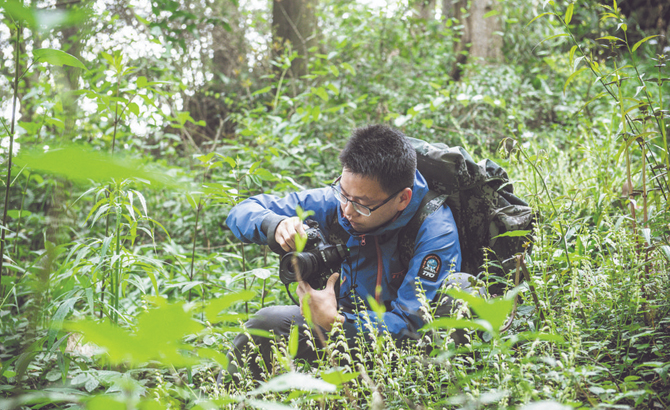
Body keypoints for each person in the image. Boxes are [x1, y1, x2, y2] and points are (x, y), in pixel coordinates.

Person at [223, 124, 463, 381]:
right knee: (264, 325)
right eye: (343, 193)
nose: (347, 211)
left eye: (362, 205)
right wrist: (274, 224)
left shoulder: (435, 230)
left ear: (403, 199)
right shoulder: (341, 202)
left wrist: (336, 322)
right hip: (344, 321)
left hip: (404, 353)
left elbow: (413, 329)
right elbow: (243, 210)